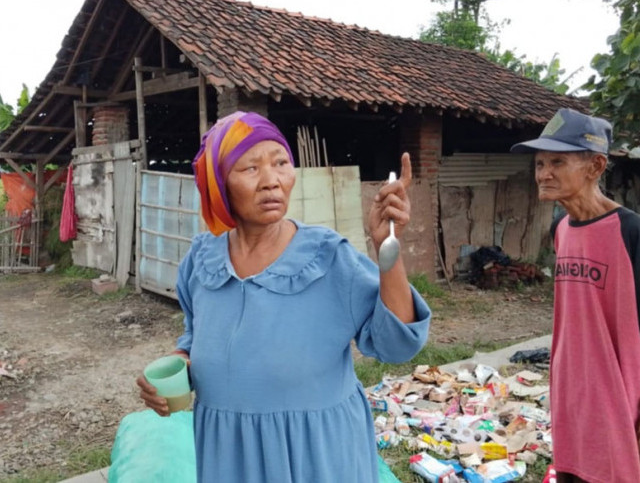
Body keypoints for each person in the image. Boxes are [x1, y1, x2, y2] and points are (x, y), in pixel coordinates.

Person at [136, 111, 431, 483]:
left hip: (316, 454)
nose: (271, 181)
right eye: (250, 168)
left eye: (281, 163)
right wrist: (180, 367)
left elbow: (397, 345)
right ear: (218, 183)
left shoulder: (328, 259)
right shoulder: (201, 262)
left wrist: (386, 247)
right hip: (230, 454)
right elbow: (198, 337)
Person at [511, 108, 640, 483]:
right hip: (570, 405)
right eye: (540, 162)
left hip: (616, 410)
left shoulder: (632, 232)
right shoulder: (561, 230)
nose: (543, 173)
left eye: (557, 161)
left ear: (595, 166)